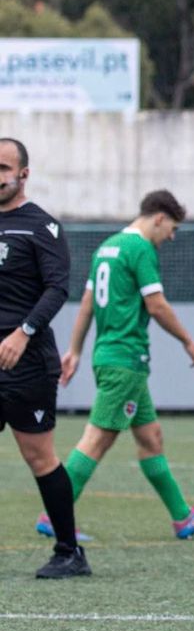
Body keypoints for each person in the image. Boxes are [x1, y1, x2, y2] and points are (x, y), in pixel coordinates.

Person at [47, 190, 194, 542]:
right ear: (159, 218)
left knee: (150, 438)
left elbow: (86, 303)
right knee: (96, 440)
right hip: (124, 360)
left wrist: (75, 350)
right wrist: (188, 341)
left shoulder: (107, 248)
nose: (171, 237)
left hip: (115, 358)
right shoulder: (141, 248)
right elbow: (157, 306)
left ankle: (182, 517)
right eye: (172, 229)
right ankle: (54, 517)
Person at [0, 138, 91, 578]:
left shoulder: (42, 228)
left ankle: (69, 551)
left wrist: (23, 332)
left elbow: (58, 288)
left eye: (4, 167)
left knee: (39, 457)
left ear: (23, 174)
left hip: (27, 360)